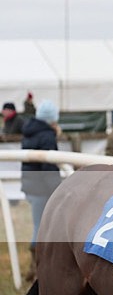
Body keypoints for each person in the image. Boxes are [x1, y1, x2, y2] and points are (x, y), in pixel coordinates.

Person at [21, 100, 62, 281]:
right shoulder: (46, 135)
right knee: (42, 227)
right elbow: (49, 166)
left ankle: (35, 267)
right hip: (42, 187)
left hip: (31, 185)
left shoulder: (29, 131)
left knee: (39, 225)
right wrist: (59, 189)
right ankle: (38, 268)